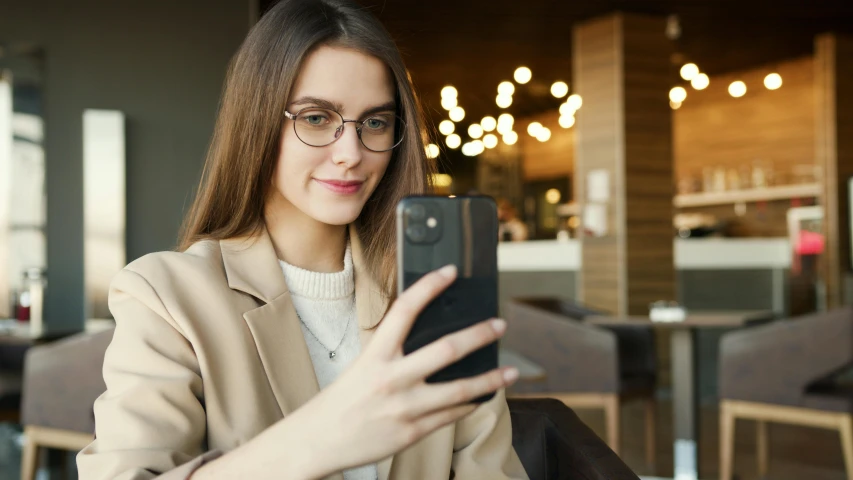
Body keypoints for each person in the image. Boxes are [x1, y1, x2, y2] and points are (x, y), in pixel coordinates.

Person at [76, 1, 528, 479]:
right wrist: (319, 438)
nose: (351, 154)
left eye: (375, 122)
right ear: (258, 122)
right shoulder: (168, 296)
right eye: (316, 118)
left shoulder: (433, 296)